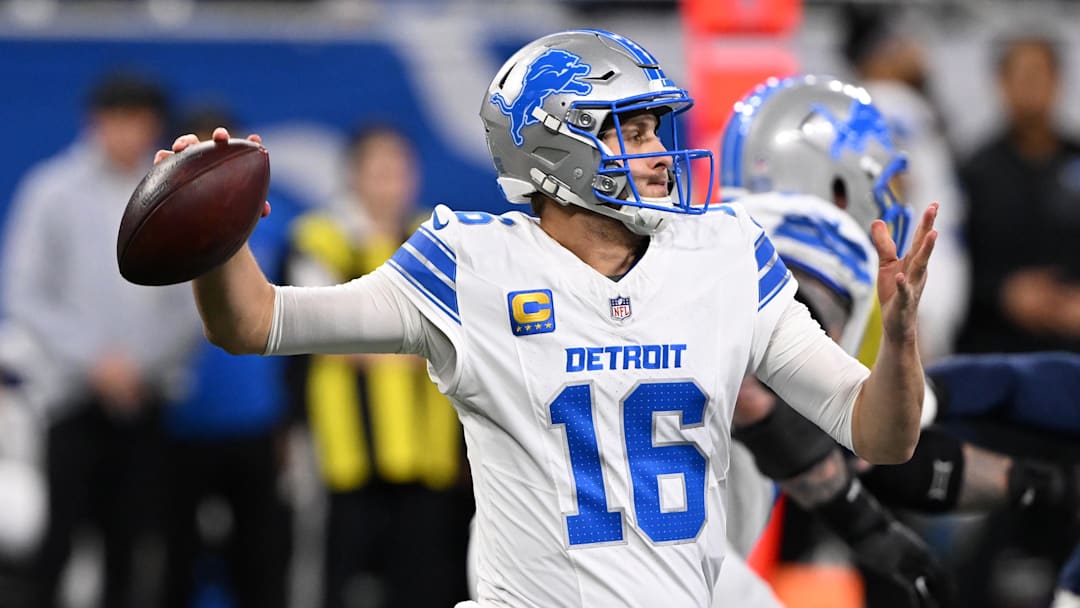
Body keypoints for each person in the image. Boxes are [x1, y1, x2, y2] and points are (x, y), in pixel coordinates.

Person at [158, 29, 937, 607]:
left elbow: (880, 433)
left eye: (653, 127)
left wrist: (899, 339)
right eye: (627, 128)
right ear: (552, 148)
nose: (658, 150)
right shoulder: (469, 265)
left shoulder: (724, 251)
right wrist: (216, 239)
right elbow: (256, 323)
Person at [1, 70, 201, 608]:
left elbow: (191, 295)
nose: (133, 132)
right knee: (59, 538)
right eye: (122, 119)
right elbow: (25, 293)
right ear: (96, 122)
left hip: (144, 398)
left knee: (131, 544)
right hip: (71, 398)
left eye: (144, 121)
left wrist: (139, 366)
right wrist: (96, 362)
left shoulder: (170, 191)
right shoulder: (52, 191)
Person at [286, 124, 471, 608]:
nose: (393, 182)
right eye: (380, 171)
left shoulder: (437, 236)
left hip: (429, 452)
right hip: (349, 452)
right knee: (343, 580)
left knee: (427, 581)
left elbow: (463, 330)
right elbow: (320, 327)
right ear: (354, 177)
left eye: (401, 170)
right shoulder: (319, 237)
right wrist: (419, 344)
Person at [157, 105, 295, 608]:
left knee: (259, 562)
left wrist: (289, 419)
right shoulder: (159, 220)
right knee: (175, 560)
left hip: (255, 422)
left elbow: (294, 322)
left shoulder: (274, 218)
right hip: (179, 421)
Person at [842, 5, 970, 362]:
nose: (916, 51)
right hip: (913, 282)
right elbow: (887, 196)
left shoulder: (896, 102)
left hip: (919, 280)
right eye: (901, 43)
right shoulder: (886, 101)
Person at [958, 33, 1080, 355]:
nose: (1031, 85)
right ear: (1001, 83)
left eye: (1040, 74)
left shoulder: (1075, 158)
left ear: (1057, 80)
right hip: (997, 349)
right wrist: (1003, 293)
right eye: (1022, 75)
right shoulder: (973, 171)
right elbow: (950, 263)